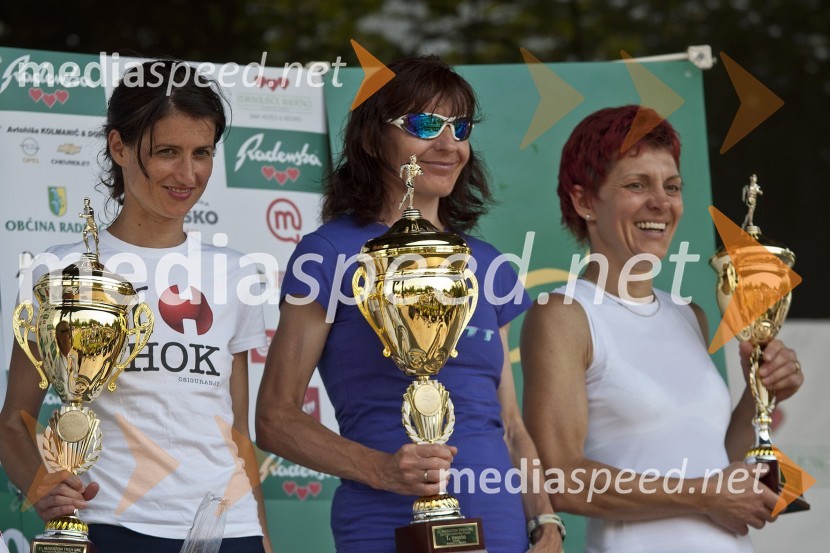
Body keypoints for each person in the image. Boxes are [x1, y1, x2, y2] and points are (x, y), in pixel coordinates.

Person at [255, 55, 563, 553]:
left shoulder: (486, 264)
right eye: (424, 125)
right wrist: (380, 469)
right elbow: (274, 418)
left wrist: (544, 519)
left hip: (503, 528)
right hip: (386, 526)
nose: (448, 144)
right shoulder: (329, 254)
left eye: (460, 127)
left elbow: (510, 424)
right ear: (374, 139)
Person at [0, 60, 271, 553]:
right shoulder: (57, 271)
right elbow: (15, 420)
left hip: (229, 529)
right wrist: (43, 487)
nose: (187, 174)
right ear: (119, 146)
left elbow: (236, 432)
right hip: (109, 522)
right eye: (167, 152)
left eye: (202, 153)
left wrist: (262, 538)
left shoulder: (235, 272)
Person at [521, 105, 805, 553]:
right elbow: (561, 480)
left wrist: (760, 394)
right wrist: (706, 495)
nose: (661, 202)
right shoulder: (564, 314)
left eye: (672, 187)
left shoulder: (689, 315)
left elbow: (719, 464)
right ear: (584, 201)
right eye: (637, 184)